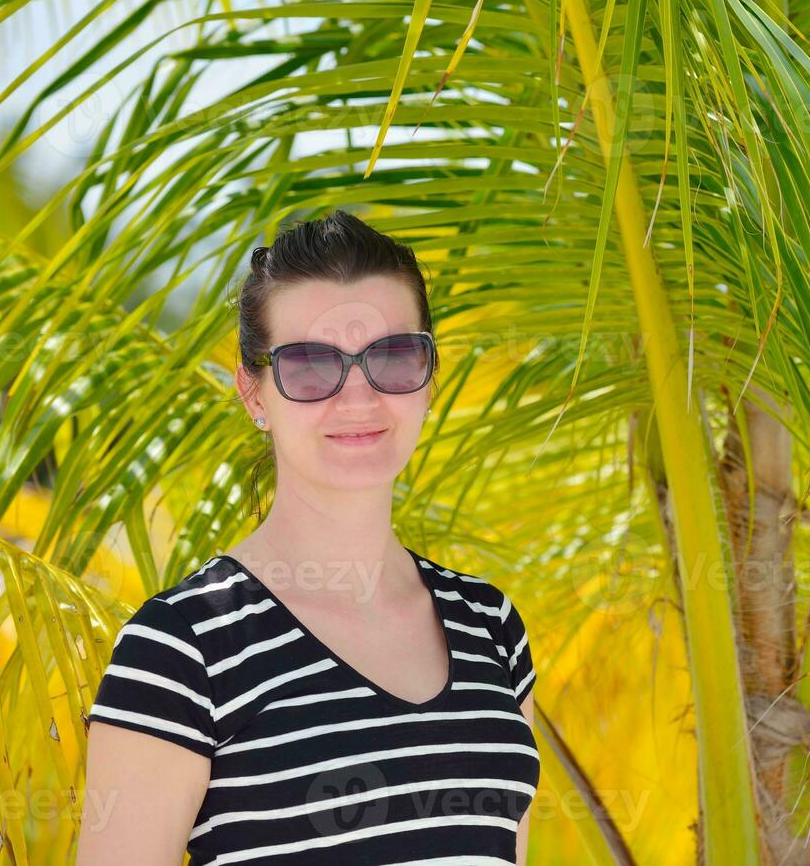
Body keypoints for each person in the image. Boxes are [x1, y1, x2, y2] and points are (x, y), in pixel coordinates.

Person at [76, 211, 539, 865]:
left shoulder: (489, 624)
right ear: (252, 391)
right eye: (310, 365)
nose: (359, 396)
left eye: (394, 355)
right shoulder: (182, 649)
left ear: (430, 376)